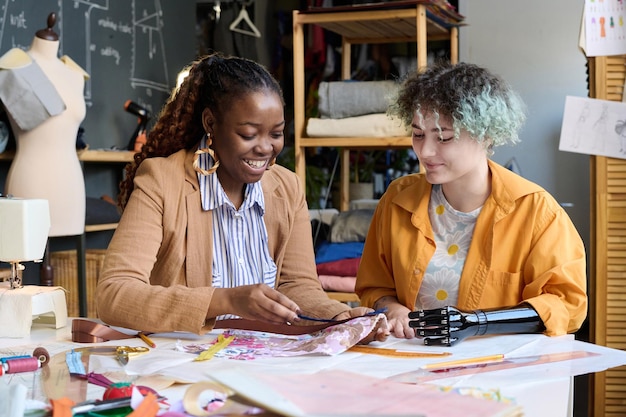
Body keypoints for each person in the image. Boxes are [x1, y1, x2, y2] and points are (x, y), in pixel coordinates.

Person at [95, 52, 389, 341]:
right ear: (211, 124)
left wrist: (335, 315)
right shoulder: (162, 181)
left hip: (259, 360)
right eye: (249, 135)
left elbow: (297, 285)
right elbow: (114, 294)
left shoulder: (286, 188)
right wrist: (226, 301)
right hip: (185, 365)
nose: (265, 148)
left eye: (276, 134)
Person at [355, 62, 587, 346]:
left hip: (498, 373)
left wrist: (477, 324)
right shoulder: (397, 201)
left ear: (486, 134)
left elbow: (566, 305)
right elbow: (374, 284)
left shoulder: (538, 212)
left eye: (444, 137)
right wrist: (391, 307)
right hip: (409, 365)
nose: (425, 151)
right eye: (418, 134)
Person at [1, 14, 88, 237]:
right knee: (20, 257)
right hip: (29, 179)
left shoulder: (75, 74)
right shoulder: (11, 69)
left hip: (70, 184)